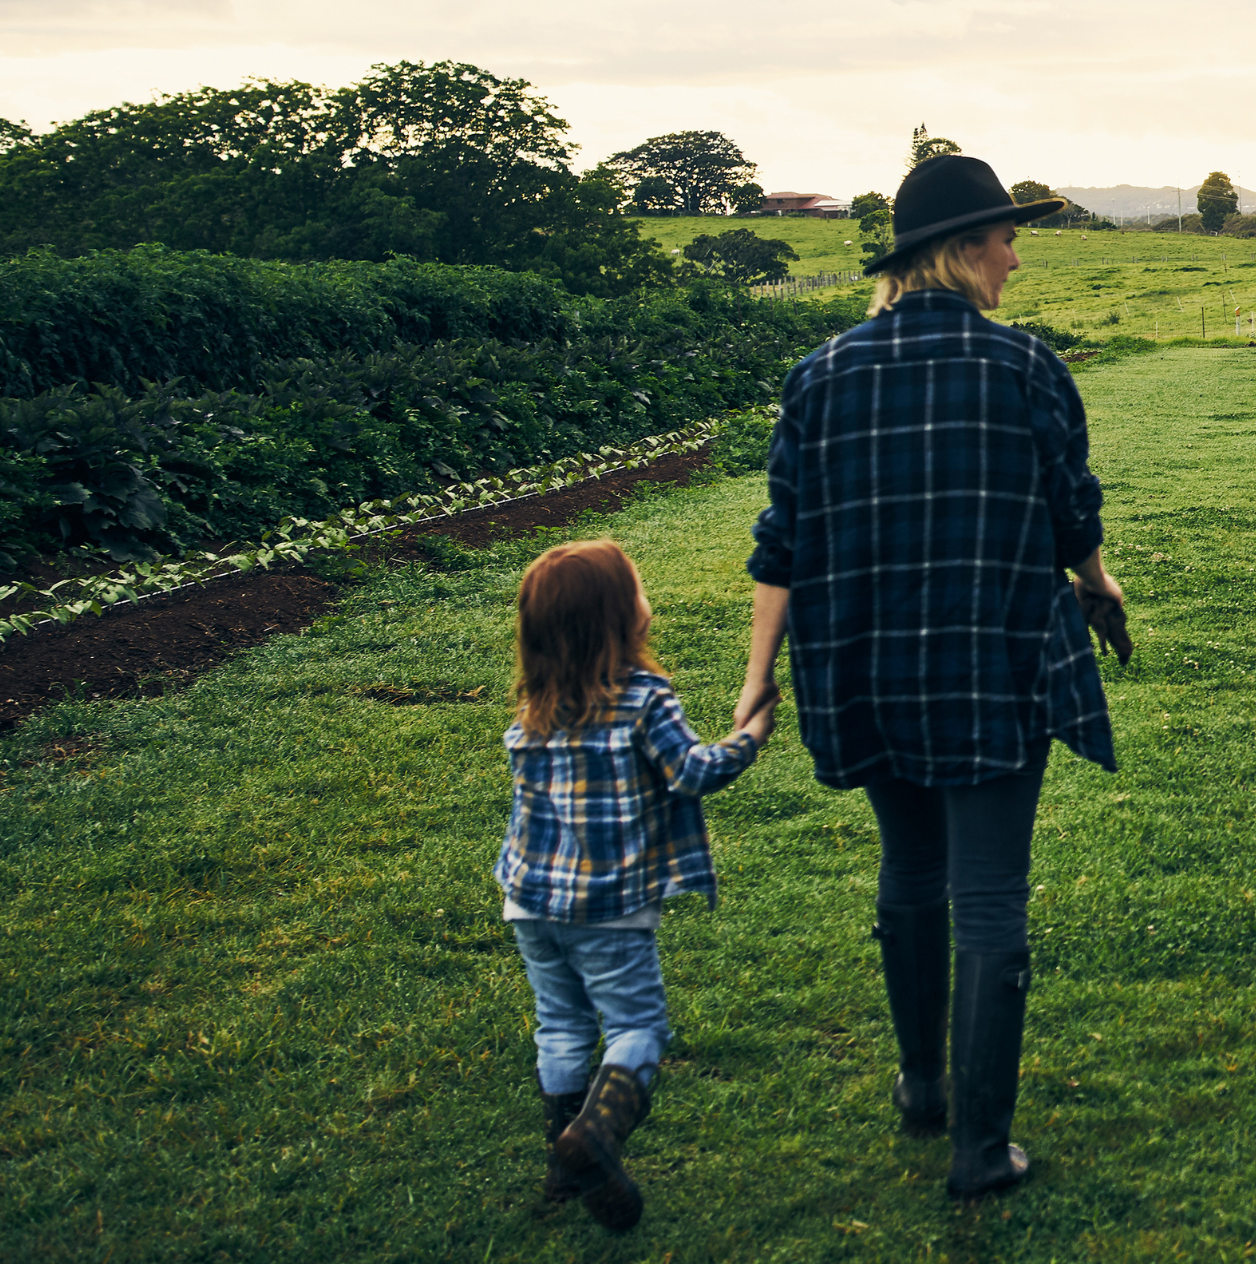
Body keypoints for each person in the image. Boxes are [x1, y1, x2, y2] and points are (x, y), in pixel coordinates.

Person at [741, 153, 1121, 1199]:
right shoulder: (1026, 367)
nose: (1014, 255)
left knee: (911, 872)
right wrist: (1098, 582)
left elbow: (785, 541)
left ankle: (921, 1086)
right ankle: (979, 1149)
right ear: (958, 251)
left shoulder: (819, 375)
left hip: (864, 666)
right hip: (993, 665)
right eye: (1004, 237)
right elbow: (1071, 511)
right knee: (990, 895)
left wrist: (756, 680)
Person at [499, 539, 775, 1232]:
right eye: (639, 588)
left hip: (530, 902)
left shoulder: (534, 706)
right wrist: (750, 737)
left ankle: (565, 1166)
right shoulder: (644, 699)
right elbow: (691, 774)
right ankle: (594, 1137)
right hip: (608, 909)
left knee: (560, 1024)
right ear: (621, 618)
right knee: (637, 1028)